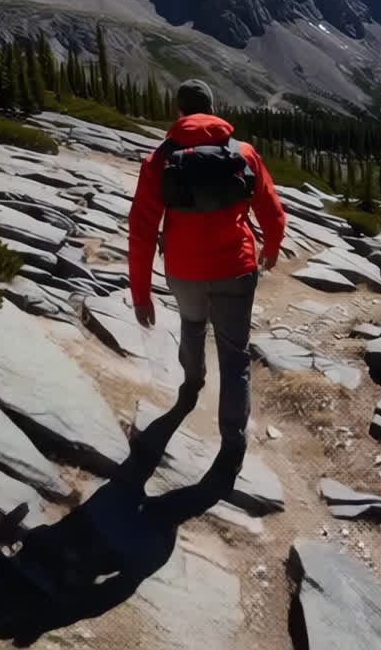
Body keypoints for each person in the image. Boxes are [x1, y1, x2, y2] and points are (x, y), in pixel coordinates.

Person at [128, 79, 287, 493]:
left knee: (192, 325)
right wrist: (272, 246)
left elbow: (142, 231)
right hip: (235, 268)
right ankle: (232, 445)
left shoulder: (159, 160)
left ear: (180, 112)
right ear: (213, 110)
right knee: (235, 358)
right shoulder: (243, 153)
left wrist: (141, 294)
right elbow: (271, 209)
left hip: (183, 271)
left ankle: (191, 383)